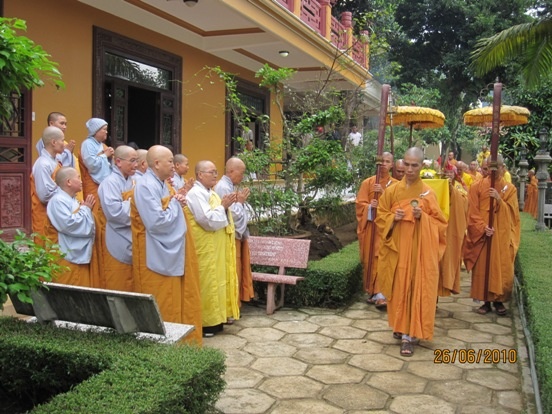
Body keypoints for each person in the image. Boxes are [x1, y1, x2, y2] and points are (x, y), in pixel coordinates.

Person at [376, 147, 447, 357]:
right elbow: (380, 216)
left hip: (418, 253)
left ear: (421, 165)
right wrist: (393, 218)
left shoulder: (428, 193)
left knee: (415, 288)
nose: (409, 169)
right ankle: (400, 326)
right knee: (399, 288)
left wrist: (422, 217)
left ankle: (409, 335)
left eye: (414, 165)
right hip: (397, 250)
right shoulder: (392, 191)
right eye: (406, 164)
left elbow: (441, 225)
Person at [131, 145, 187, 324]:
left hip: (167, 248)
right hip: (152, 250)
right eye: (170, 161)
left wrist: (176, 200)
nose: (173, 165)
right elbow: (156, 222)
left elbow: (168, 207)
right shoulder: (145, 186)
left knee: (171, 297)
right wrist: (175, 203)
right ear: (156, 163)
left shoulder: (162, 183)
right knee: (159, 298)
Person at [186, 160, 240, 337]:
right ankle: (206, 323)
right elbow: (206, 220)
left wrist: (224, 207)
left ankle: (217, 320)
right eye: (211, 172)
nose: (215, 175)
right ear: (200, 175)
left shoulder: (211, 193)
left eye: (216, 172)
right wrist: (223, 206)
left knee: (218, 282)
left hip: (216, 247)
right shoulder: (196, 194)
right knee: (207, 283)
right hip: (204, 248)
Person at [463, 154, 520, 316]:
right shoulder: (477, 186)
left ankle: (499, 301)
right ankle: (485, 302)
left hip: (500, 235)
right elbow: (472, 212)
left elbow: (513, 215)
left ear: (503, 168)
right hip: (483, 235)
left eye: (497, 167)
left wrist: (499, 200)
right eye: (490, 167)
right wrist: (482, 227)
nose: (493, 171)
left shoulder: (510, 189)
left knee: (500, 267)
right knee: (483, 267)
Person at [356, 152, 397, 308]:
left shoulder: (396, 185)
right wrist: (369, 207)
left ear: (392, 164)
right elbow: (359, 205)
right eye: (381, 161)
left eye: (387, 161)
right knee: (370, 259)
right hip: (371, 228)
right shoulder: (368, 183)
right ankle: (373, 292)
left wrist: (383, 193)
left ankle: (381, 294)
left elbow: (398, 206)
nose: (383, 164)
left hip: (386, 230)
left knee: (382, 259)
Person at [214, 157, 255, 305]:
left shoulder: (229, 186)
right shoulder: (223, 187)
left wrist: (240, 203)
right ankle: (231, 304)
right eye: (241, 173)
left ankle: (235, 303)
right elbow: (232, 214)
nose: (242, 177)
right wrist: (240, 203)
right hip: (229, 236)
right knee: (232, 270)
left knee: (237, 269)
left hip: (234, 235)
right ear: (231, 171)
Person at [46, 167, 96, 287]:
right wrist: (85, 209)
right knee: (67, 290)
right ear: (69, 182)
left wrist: (84, 209)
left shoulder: (72, 200)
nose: (81, 181)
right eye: (78, 178)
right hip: (65, 255)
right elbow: (69, 224)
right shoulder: (58, 201)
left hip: (76, 254)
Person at [97, 145, 138, 292]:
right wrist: (137, 204)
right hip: (115, 236)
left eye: (137, 160)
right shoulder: (110, 183)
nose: (136, 165)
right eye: (132, 161)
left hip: (133, 236)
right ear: (118, 162)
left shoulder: (134, 181)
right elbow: (114, 213)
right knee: (117, 283)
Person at [439, 165, 469, 297]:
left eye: (451, 172)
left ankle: (446, 285)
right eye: (446, 172)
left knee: (447, 258)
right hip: (437, 227)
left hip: (451, 227)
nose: (448, 174)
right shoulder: (437, 186)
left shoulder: (459, 187)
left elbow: (465, 203)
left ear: (455, 174)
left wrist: (451, 190)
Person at [30, 126, 65, 235]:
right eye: (62, 140)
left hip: (55, 214)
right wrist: (66, 191)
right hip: (44, 215)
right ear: (54, 142)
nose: (64, 144)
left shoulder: (55, 161)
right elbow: (45, 196)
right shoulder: (43, 164)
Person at [79, 118, 113, 211]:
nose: (106, 132)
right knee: (95, 211)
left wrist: (110, 156)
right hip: (93, 182)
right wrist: (105, 155)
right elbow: (92, 164)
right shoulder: (87, 144)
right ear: (95, 131)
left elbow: (110, 164)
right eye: (104, 129)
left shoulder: (102, 145)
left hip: (104, 184)